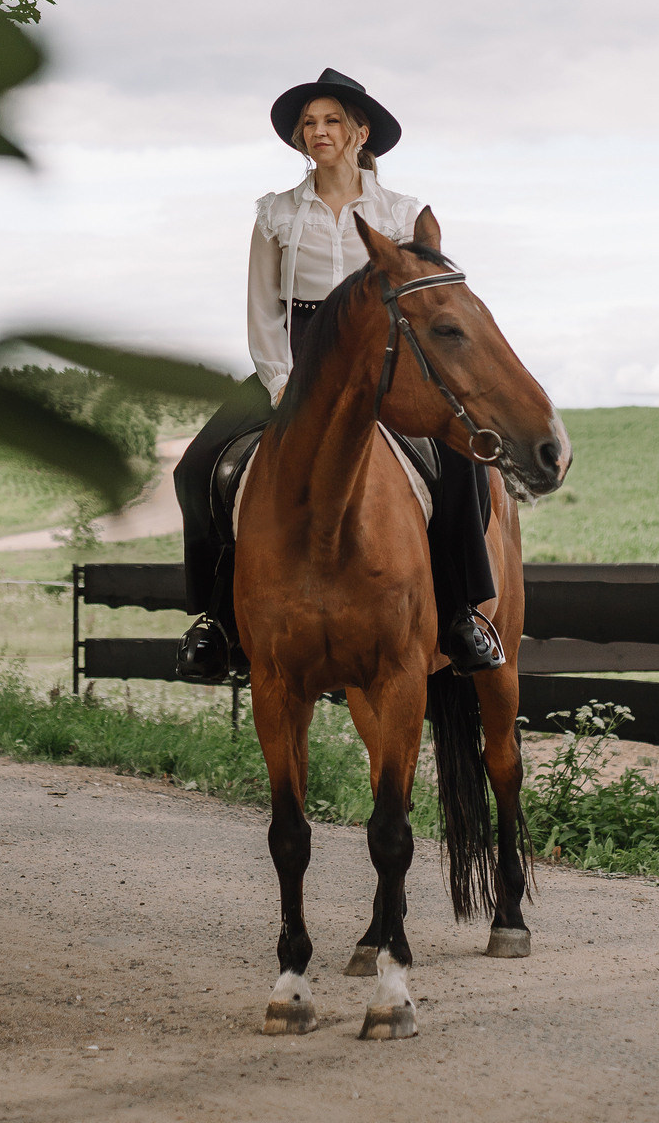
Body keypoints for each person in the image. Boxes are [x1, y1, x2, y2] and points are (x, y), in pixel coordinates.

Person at [174, 67, 502, 683]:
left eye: (329, 121)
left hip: (388, 365)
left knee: (463, 464)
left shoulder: (403, 213)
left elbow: (429, 306)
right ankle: (213, 622)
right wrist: (279, 382)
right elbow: (262, 306)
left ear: (360, 131)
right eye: (308, 124)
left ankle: (461, 612)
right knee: (195, 468)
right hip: (293, 364)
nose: (316, 132)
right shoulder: (275, 213)